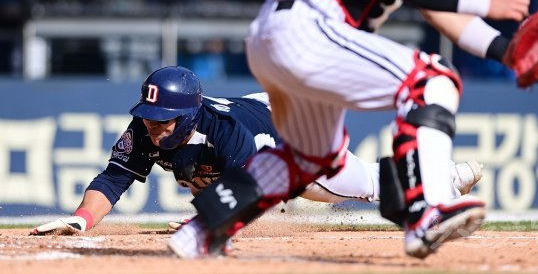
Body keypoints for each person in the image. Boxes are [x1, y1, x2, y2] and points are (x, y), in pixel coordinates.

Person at [167, 0, 538, 260]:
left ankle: (203, 230)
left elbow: (442, 10)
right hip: (306, 25)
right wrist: (488, 2)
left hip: (281, 34)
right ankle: (428, 209)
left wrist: (508, 51)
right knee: (431, 80)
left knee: (310, 158)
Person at [30, 66, 484, 236]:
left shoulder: (221, 130)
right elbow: (114, 176)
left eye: (164, 118)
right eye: (149, 116)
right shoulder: (145, 126)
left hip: (291, 132)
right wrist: (81, 218)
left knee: (347, 186)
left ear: (189, 116)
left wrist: (205, 217)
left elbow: (249, 187)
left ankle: (443, 179)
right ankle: (441, 175)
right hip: (260, 115)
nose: (153, 126)